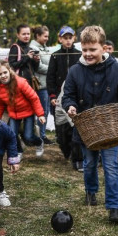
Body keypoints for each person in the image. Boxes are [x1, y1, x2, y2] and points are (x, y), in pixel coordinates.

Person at [63, 25, 118, 224]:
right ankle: (91, 192)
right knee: (89, 164)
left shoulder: (115, 68)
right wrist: (70, 106)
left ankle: (114, 207)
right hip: (87, 130)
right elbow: (68, 95)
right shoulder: (74, 71)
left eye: (92, 49)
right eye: (84, 50)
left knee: (111, 166)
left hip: (111, 128)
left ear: (103, 48)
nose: (87, 54)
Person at [0, 60, 45, 158]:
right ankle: (18, 152)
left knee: (28, 137)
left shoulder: (20, 83)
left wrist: (40, 114)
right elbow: (0, 104)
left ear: (9, 71)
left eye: (5, 72)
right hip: (13, 114)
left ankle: (39, 142)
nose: (3, 76)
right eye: (0, 74)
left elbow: (34, 98)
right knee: (12, 135)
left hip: (28, 112)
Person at [46, 25, 83, 171]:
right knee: (61, 129)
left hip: (74, 95)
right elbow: (50, 77)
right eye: (65, 38)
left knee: (75, 126)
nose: (67, 41)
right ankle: (66, 150)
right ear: (60, 39)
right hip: (58, 96)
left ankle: (77, 158)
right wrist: (52, 95)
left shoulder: (79, 54)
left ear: (74, 38)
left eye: (70, 38)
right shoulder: (55, 56)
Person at [29, 25, 53, 144]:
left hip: (46, 84)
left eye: (47, 36)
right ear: (38, 36)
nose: (47, 38)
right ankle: (40, 136)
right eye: (45, 36)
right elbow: (37, 66)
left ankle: (42, 134)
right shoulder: (34, 48)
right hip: (40, 84)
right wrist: (52, 69)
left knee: (46, 110)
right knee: (42, 111)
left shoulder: (45, 48)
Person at [8, 24, 40, 90]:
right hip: (19, 83)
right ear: (18, 35)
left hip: (30, 83)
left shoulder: (30, 48)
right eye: (24, 34)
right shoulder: (15, 48)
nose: (26, 36)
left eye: (28, 34)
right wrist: (27, 58)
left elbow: (35, 69)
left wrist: (36, 61)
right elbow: (11, 65)